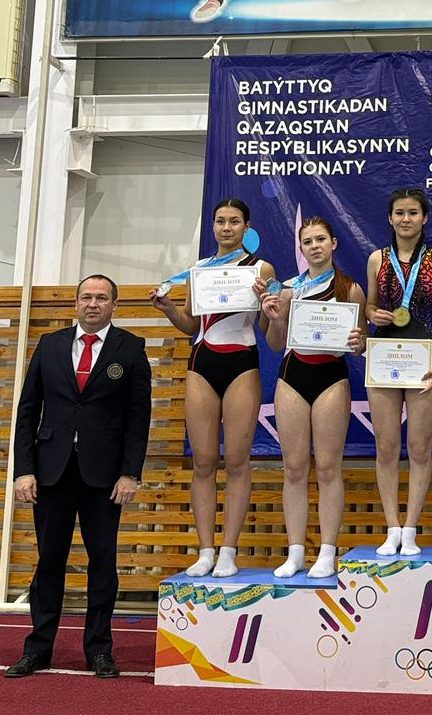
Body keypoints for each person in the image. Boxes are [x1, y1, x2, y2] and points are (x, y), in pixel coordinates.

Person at [8, 275, 151, 679]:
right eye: (86, 297)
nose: (93, 304)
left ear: (114, 305)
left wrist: (130, 473)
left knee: (102, 563)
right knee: (49, 561)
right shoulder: (50, 345)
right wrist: (24, 470)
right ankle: (38, 649)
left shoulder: (131, 348)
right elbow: (27, 411)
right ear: (75, 303)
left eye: (101, 298)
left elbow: (139, 418)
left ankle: (100, 651)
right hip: (51, 471)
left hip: (104, 477)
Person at [149, 198, 275, 578]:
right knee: (203, 461)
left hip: (242, 362)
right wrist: (169, 309)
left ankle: (229, 551)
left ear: (246, 227)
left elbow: (267, 327)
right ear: (213, 226)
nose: (226, 228)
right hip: (202, 362)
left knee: (237, 461)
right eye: (220, 221)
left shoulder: (261, 268)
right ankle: (205, 550)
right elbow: (192, 325)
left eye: (234, 221)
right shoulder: (198, 270)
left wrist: (267, 303)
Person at [257, 216, 366, 578]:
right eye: (308, 241)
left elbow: (359, 345)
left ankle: (327, 551)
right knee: (293, 468)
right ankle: (295, 552)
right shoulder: (287, 290)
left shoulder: (350, 289)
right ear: (301, 248)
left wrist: (359, 342)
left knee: (329, 468)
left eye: (321, 239)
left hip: (331, 377)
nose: (315, 246)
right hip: (293, 376)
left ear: (334, 243)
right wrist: (275, 318)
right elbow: (275, 345)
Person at [365, 189, 432, 556]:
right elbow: (369, 306)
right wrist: (372, 313)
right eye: (399, 213)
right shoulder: (376, 259)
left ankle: (412, 527)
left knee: (419, 447)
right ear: (390, 218)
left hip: (425, 359)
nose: (406, 219)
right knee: (386, 447)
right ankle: (392, 527)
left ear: (424, 218)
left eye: (413, 212)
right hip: (384, 359)